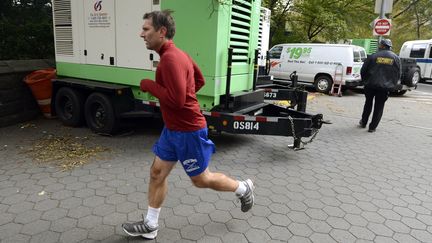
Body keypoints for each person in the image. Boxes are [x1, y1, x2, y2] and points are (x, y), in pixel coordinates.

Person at [121, 10, 255, 240]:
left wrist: (148, 85)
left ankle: (243, 188)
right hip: (172, 130)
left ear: (161, 32)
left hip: (189, 132)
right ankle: (150, 225)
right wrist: (183, 100)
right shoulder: (176, 55)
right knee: (156, 174)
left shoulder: (171, 59)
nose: (141, 34)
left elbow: (177, 99)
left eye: (146, 29)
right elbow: (199, 80)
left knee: (201, 180)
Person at [359, 38, 401, 133]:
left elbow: (363, 71)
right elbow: (398, 74)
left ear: (381, 46)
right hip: (385, 88)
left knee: (368, 104)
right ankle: (372, 127)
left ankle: (363, 122)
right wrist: (392, 85)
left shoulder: (373, 56)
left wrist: (365, 81)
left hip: (370, 85)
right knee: (379, 106)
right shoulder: (395, 58)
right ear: (389, 47)